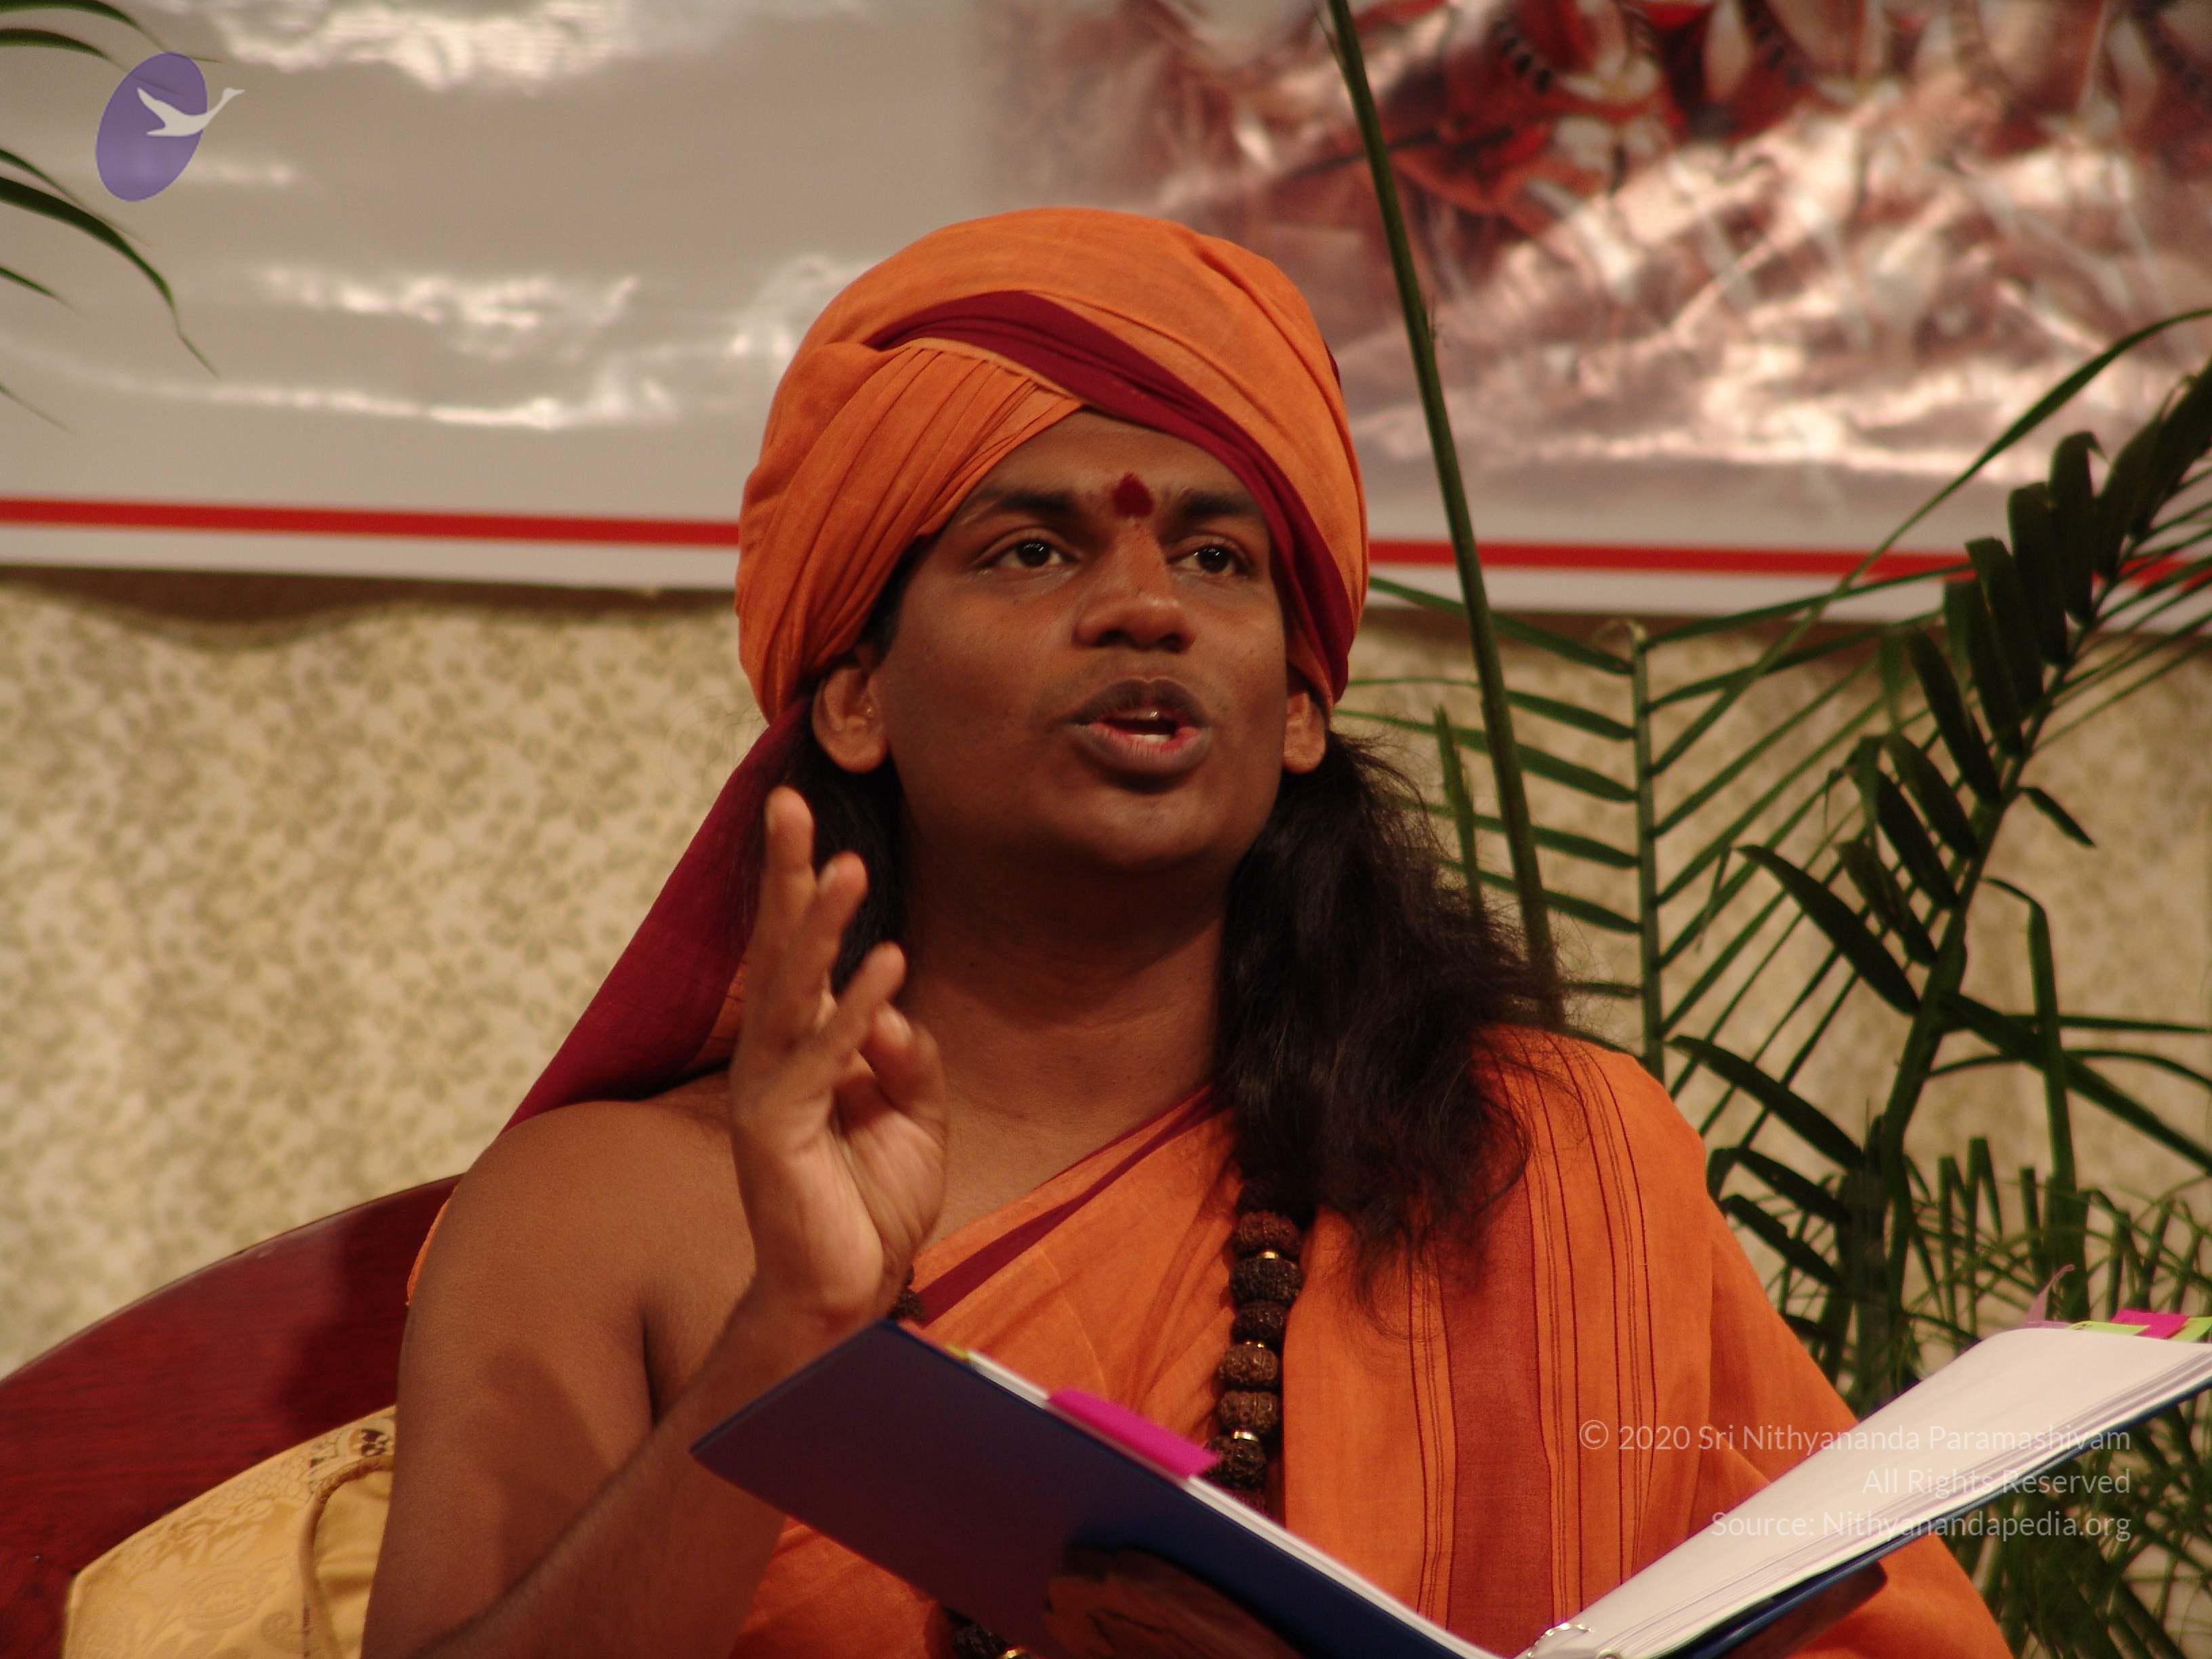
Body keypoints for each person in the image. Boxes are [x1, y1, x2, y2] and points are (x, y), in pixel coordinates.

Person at [359, 207, 2011, 1659]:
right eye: (1032, 548)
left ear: (1299, 708)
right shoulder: (604, 1211)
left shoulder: (1544, 1158)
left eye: (1217, 557)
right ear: (854, 696)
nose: (1147, 605)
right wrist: (787, 1335)